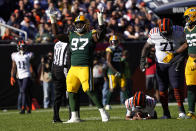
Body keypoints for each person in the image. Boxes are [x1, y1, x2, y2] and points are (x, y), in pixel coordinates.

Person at [65, 9, 109, 123]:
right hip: (73, 68)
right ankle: (74, 116)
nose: (78, 25)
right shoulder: (72, 35)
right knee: (70, 90)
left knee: (89, 90)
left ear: (86, 24)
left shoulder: (91, 34)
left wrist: (100, 21)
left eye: (80, 23)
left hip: (84, 67)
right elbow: (56, 35)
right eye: (77, 23)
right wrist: (53, 21)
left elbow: (100, 36)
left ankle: (103, 112)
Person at [140, 18, 186, 119]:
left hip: (175, 62)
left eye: (167, 32)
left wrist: (177, 56)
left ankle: (181, 111)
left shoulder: (179, 31)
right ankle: (166, 113)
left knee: (176, 85)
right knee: (162, 88)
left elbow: (187, 44)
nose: (165, 35)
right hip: (161, 64)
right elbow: (146, 47)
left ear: (172, 28)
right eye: (163, 33)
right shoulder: (154, 32)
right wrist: (142, 60)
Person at [48, 8, 72, 123]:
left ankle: (55, 117)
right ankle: (72, 116)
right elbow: (67, 59)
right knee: (70, 93)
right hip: (63, 69)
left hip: (55, 68)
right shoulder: (67, 42)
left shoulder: (57, 43)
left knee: (58, 95)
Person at [105, 35, 128, 110]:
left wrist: (123, 58)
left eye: (115, 41)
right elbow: (108, 62)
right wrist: (115, 71)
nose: (114, 43)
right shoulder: (109, 49)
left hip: (120, 70)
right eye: (112, 41)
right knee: (112, 88)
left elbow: (120, 59)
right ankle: (107, 104)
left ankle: (128, 103)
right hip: (112, 72)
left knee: (123, 87)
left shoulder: (120, 48)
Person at [10, 40, 34, 114]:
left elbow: (32, 65)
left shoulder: (28, 55)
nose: (23, 48)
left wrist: (33, 74)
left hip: (27, 75)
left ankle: (23, 107)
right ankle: (28, 107)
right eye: (21, 47)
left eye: (24, 47)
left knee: (23, 90)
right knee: (24, 92)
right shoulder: (15, 55)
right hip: (19, 76)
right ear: (18, 47)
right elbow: (13, 67)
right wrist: (12, 76)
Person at [183, 7, 196, 119]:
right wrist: (174, 53)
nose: (186, 20)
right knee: (190, 86)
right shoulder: (186, 28)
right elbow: (186, 44)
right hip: (190, 60)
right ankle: (191, 112)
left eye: (187, 17)